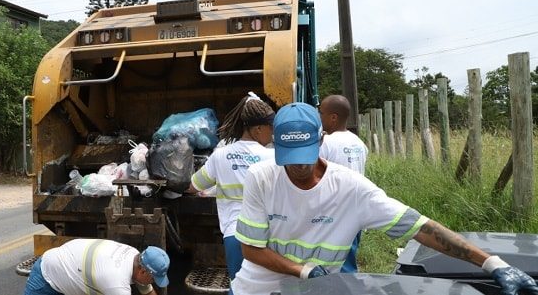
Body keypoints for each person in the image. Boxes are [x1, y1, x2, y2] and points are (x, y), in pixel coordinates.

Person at [231, 102, 538, 295]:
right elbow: (251, 249)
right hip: (256, 288)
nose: (297, 166)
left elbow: (421, 228)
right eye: (289, 157)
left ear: (321, 140)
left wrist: (492, 263)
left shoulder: (352, 189)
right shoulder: (262, 177)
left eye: (305, 156)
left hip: (315, 290)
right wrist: (304, 269)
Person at [186, 92, 275, 290]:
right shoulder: (274, 157)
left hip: (235, 236)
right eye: (271, 128)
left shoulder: (220, 155)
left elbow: (193, 186)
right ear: (258, 129)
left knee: (240, 286)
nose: (272, 133)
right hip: (268, 235)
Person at [318, 94, 368, 273]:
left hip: (334, 212)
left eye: (321, 112)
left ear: (333, 117)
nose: (319, 116)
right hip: (357, 208)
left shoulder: (327, 144)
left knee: (336, 264)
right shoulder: (359, 143)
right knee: (349, 256)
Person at [23, 238, 170, 295]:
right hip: (46, 277)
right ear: (143, 271)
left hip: (70, 274)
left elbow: (147, 291)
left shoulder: (135, 256)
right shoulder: (117, 284)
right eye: (153, 279)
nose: (153, 282)